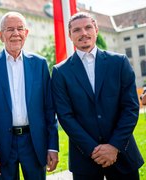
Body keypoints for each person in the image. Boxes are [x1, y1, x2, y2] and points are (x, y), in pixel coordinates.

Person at [51, 12, 144, 180]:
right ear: (70, 35)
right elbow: (65, 116)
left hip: (123, 153)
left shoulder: (119, 62)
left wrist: (114, 146)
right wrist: (93, 150)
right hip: (85, 158)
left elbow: (130, 107)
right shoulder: (60, 71)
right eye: (77, 30)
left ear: (96, 30)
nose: (83, 33)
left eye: (88, 27)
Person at [0, 11, 59, 179]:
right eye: (9, 29)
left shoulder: (40, 64)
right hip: (2, 146)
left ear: (26, 33)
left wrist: (52, 146)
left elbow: (49, 109)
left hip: (34, 142)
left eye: (20, 29)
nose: (16, 34)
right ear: (1, 35)